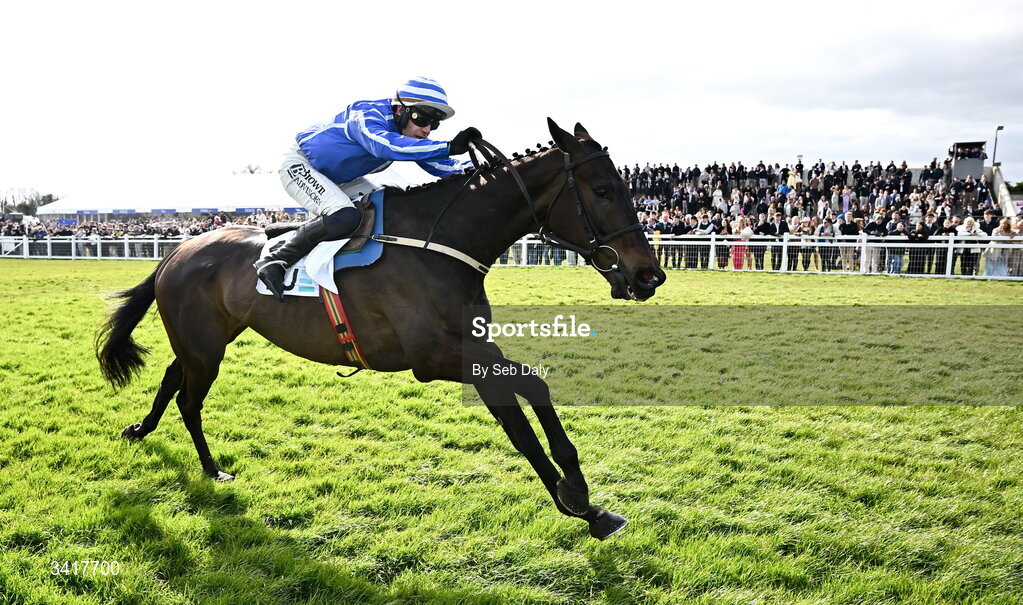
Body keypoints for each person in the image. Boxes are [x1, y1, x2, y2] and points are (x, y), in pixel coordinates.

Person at [254, 77, 481, 301]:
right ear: (400, 109)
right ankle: (276, 259)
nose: (427, 129)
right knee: (345, 216)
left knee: (389, 207)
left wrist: (485, 168)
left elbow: (443, 165)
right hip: (302, 165)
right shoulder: (366, 113)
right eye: (422, 119)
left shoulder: (407, 134)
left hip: (343, 179)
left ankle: (305, 233)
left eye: (434, 124)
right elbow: (384, 146)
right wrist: (449, 146)